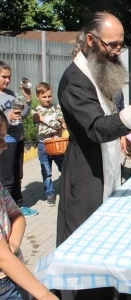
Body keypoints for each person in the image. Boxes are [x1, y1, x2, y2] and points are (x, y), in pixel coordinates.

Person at [56, 12, 131, 300]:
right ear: (91, 40)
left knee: (106, 245)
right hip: (86, 179)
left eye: (121, 44)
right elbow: (94, 128)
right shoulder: (74, 80)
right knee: (85, 253)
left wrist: (125, 138)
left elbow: (109, 120)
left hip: (107, 168)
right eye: (112, 45)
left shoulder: (98, 70)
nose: (117, 51)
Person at [0, 110, 58, 300]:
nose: (5, 145)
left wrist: (14, 244)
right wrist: (44, 295)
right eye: (0, 138)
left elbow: (16, 215)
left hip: (14, 275)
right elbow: (2, 257)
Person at [0, 61, 38, 217]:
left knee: (18, 175)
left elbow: (21, 114)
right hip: (5, 142)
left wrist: (27, 100)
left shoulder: (10, 94)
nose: (7, 80)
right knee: (7, 178)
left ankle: (19, 206)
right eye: (4, 77)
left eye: (9, 77)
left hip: (18, 139)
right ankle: (6, 212)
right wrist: (7, 117)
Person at [32, 82, 65, 207]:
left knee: (64, 167)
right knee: (46, 172)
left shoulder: (56, 108)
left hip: (57, 144)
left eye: (49, 96)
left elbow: (59, 124)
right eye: (44, 97)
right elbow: (40, 130)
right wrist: (54, 125)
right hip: (43, 145)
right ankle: (50, 194)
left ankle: (67, 189)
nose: (47, 99)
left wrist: (43, 119)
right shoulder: (36, 111)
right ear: (38, 97)